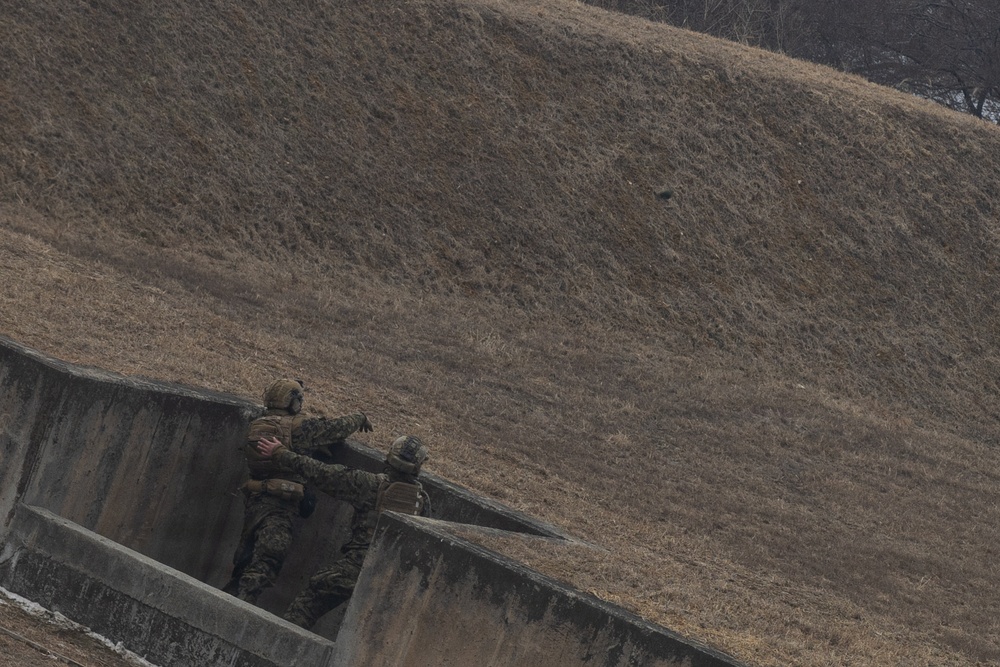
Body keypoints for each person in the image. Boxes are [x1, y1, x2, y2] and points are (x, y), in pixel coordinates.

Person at [254, 432, 431, 629]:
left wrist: (280, 453)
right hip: (393, 576)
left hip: (360, 566)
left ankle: (283, 640)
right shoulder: (422, 502)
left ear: (390, 457)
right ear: (418, 467)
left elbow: (321, 473)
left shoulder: (369, 485)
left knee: (312, 598)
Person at [223, 378, 374, 604]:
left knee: (246, 559)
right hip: (281, 506)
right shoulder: (299, 427)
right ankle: (238, 605)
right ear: (293, 402)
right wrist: (360, 417)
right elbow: (335, 429)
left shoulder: (259, 423)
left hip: (256, 499)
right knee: (267, 562)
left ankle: (230, 596)